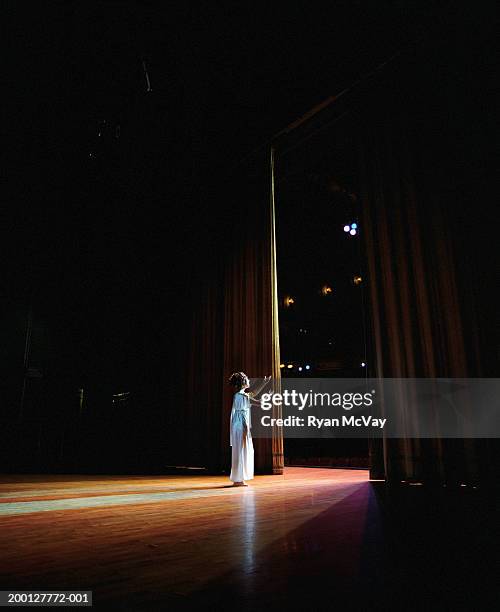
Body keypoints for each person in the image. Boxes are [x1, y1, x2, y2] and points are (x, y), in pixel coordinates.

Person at [228, 372, 271, 486]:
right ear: (242, 383)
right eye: (247, 379)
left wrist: (264, 383)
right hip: (240, 424)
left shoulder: (240, 395)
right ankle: (238, 479)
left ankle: (239, 478)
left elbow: (253, 394)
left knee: (241, 449)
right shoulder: (241, 396)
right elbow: (259, 403)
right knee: (241, 449)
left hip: (239, 423)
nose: (249, 381)